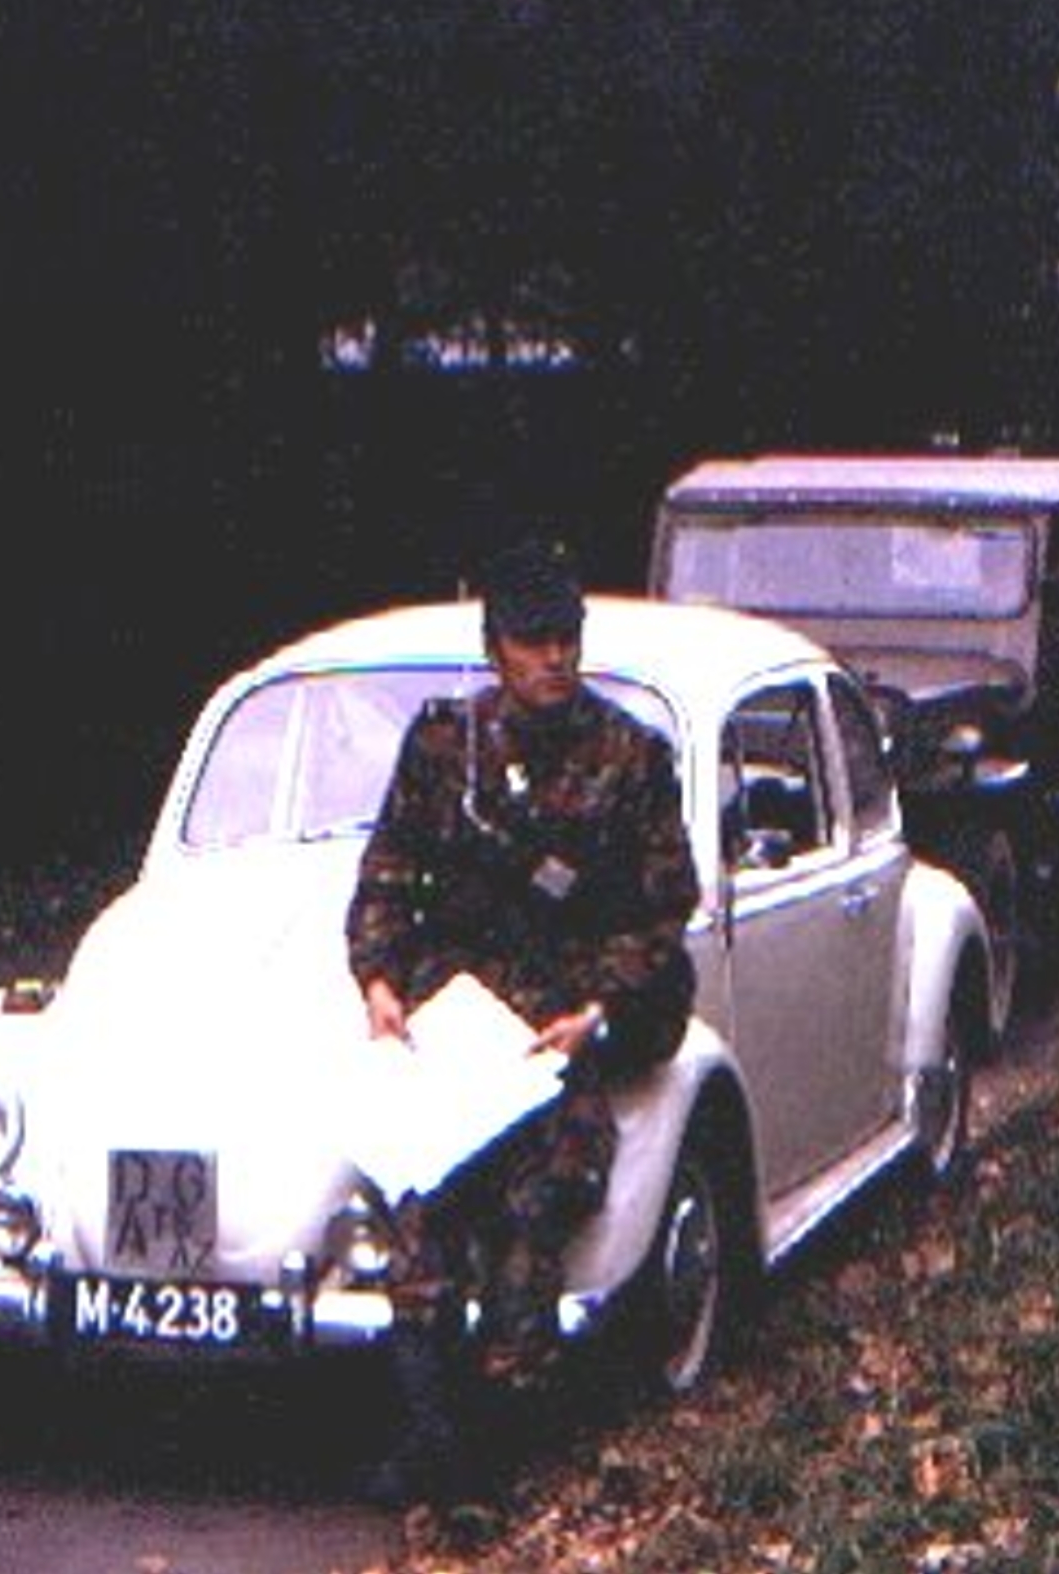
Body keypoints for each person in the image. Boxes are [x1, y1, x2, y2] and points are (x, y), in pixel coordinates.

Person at [345, 540, 700, 1501]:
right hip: (457, 1023)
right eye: (532, 641)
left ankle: (507, 1447)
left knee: (533, 1214)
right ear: (495, 648)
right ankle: (432, 1439)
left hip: (557, 1030)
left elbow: (664, 911)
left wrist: (599, 1010)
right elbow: (387, 876)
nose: (553, 658)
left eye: (565, 639)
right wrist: (379, 981)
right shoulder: (443, 750)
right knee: (418, 1215)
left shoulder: (630, 758)